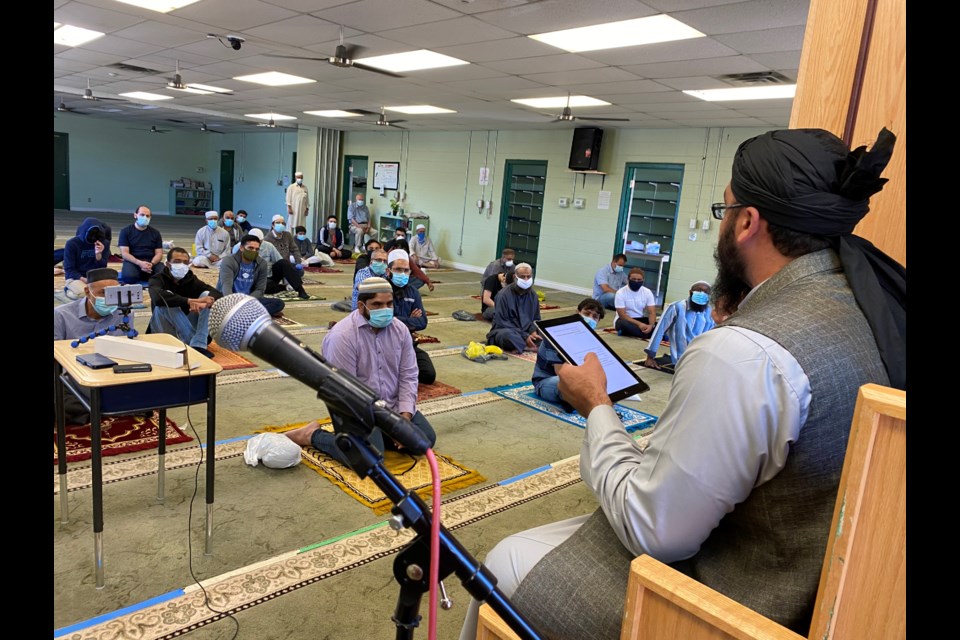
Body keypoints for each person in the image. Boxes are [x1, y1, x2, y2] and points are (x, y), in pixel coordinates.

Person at [458, 127, 905, 640]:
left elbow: (656, 532)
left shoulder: (744, 353)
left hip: (740, 599)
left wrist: (597, 405)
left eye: (723, 211)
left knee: (503, 561)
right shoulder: (864, 304)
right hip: (812, 571)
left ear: (747, 222)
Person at [283, 277, 437, 464]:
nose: (385, 310)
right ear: (361, 305)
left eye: (389, 304)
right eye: (377, 304)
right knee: (368, 457)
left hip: (390, 404)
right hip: (355, 408)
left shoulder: (400, 330)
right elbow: (344, 392)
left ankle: (379, 435)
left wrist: (403, 418)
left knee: (425, 440)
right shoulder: (342, 336)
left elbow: (409, 375)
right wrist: (385, 423)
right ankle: (313, 435)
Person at [54, 267, 131, 424]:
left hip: (109, 374)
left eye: (114, 293)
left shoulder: (124, 314)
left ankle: (94, 407)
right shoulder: (61, 314)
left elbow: (125, 348)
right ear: (87, 292)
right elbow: (56, 357)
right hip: (72, 376)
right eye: (103, 293)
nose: (109, 299)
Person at [148, 247, 222, 358]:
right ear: (168, 264)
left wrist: (206, 302)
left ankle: (198, 345)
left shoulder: (190, 279)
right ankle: (193, 342)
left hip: (186, 324)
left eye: (185, 262)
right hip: (164, 329)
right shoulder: (157, 279)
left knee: (208, 296)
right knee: (166, 299)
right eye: (177, 262)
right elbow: (158, 298)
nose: (181, 265)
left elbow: (216, 293)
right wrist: (190, 301)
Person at [532, 298, 604, 412]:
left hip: (579, 378)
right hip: (548, 380)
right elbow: (561, 373)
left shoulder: (592, 339)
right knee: (573, 385)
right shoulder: (557, 334)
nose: (590, 318)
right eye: (586, 313)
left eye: (595, 316)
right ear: (577, 313)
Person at [385, 249, 436, 384]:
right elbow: (385, 320)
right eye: (398, 269)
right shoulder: (382, 289)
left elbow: (422, 322)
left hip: (407, 343)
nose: (403, 274)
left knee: (428, 375)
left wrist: (396, 318)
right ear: (388, 271)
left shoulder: (412, 291)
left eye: (406, 270)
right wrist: (409, 318)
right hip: (384, 343)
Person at [642, 280, 716, 371]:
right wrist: (650, 357)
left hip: (701, 358)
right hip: (681, 359)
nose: (702, 293)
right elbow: (660, 330)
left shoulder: (711, 312)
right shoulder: (676, 307)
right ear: (690, 292)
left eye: (706, 292)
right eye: (699, 290)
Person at [218, 233, 285, 318]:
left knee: (278, 304)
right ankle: (254, 313)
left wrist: (246, 301)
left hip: (249, 299)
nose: (253, 251)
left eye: (256, 249)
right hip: (229, 299)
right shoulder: (229, 261)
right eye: (250, 248)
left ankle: (241, 314)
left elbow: (260, 289)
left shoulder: (261, 263)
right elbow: (226, 286)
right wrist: (232, 303)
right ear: (242, 248)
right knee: (214, 303)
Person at [485, 262, 541, 355]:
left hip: (527, 331)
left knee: (548, 334)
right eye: (523, 277)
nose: (526, 279)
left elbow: (536, 318)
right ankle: (526, 345)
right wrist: (525, 336)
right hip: (506, 330)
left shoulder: (533, 295)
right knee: (508, 336)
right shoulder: (503, 295)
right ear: (515, 277)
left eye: (528, 276)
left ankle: (524, 345)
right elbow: (502, 322)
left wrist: (533, 331)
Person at [262, 214, 311, 300]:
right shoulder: (267, 239)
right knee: (267, 286)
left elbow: (295, 249)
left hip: (286, 265)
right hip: (273, 269)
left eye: (282, 223)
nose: (281, 225)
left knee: (299, 271)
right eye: (278, 223)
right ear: (273, 225)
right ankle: (285, 286)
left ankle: (300, 290)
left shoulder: (287, 235)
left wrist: (298, 262)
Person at [62, 217, 111, 300]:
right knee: (84, 295)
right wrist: (84, 279)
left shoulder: (103, 243)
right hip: (76, 277)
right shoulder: (72, 243)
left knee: (111, 293)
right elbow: (69, 269)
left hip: (94, 277)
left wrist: (98, 254)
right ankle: (69, 289)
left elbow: (103, 268)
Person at [118, 205, 164, 284]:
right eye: (142, 215)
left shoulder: (156, 233)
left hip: (151, 262)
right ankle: (144, 275)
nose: (145, 217)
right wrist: (139, 263)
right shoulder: (125, 231)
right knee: (129, 277)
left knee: (165, 276)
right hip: (133, 261)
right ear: (135, 215)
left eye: (147, 216)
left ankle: (145, 274)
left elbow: (159, 253)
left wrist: (151, 264)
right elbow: (125, 253)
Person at [613, 267, 658, 339]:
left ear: (643, 280)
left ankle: (632, 332)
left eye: (639, 280)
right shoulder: (620, 293)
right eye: (633, 279)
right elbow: (622, 315)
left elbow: (652, 312)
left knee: (661, 324)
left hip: (640, 319)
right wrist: (640, 325)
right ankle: (653, 335)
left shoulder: (647, 292)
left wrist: (651, 325)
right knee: (623, 324)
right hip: (625, 320)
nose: (636, 281)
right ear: (628, 279)